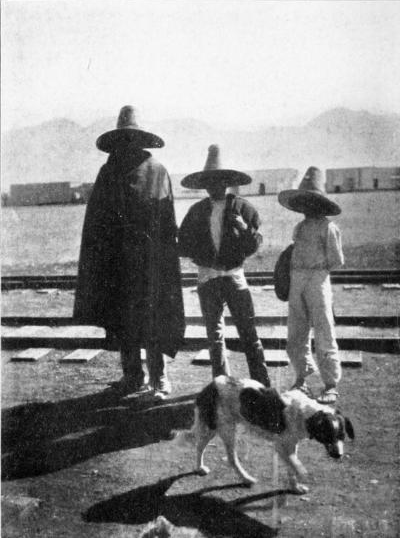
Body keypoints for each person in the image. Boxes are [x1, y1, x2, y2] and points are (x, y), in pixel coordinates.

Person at [74, 105, 185, 399]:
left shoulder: (157, 171)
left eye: (132, 138)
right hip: (118, 263)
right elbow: (97, 221)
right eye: (123, 138)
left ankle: (159, 377)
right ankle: (132, 376)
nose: (127, 144)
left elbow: (167, 219)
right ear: (117, 141)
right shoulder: (108, 172)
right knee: (123, 320)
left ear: (140, 140)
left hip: (150, 262)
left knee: (153, 319)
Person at [178, 145, 270, 387]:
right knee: (215, 336)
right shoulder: (197, 211)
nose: (214, 186)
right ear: (204, 185)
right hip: (207, 278)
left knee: (248, 331)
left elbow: (253, 245)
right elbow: (184, 244)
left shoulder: (243, 208)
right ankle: (220, 385)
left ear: (227, 182)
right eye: (209, 181)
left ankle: (262, 384)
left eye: (219, 181)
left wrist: (243, 228)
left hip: (234, 276)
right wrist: (197, 253)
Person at [278, 166, 344, 404]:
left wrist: (316, 270)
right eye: (303, 202)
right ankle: (301, 378)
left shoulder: (328, 227)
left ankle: (330, 383)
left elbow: (336, 260)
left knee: (324, 330)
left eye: (311, 201)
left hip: (317, 280)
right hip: (297, 280)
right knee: (296, 331)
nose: (307, 207)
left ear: (319, 204)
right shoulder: (300, 227)